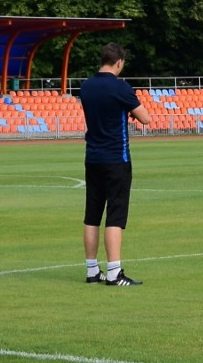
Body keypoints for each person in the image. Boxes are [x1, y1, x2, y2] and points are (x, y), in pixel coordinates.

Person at [80, 42, 151, 286]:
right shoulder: (120, 87)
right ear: (119, 62)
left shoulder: (86, 87)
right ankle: (114, 272)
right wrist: (129, 111)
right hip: (116, 158)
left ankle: (92, 270)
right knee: (115, 216)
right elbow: (145, 118)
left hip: (93, 157)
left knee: (92, 215)